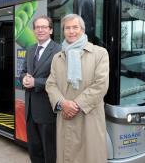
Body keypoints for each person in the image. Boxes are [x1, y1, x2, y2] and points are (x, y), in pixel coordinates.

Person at [46, 14, 109, 163]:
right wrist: (63, 103)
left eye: (75, 27)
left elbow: (101, 84)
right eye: (67, 28)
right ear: (63, 31)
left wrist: (76, 105)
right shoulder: (58, 57)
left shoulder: (99, 53)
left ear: (83, 30)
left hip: (89, 118)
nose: (71, 31)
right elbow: (51, 84)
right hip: (65, 115)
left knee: (90, 156)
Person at [19, 15, 61, 163]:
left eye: (44, 27)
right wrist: (23, 78)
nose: (40, 30)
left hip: (47, 111)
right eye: (37, 27)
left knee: (49, 151)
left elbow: (59, 80)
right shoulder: (30, 49)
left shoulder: (58, 50)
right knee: (34, 150)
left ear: (50, 30)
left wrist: (36, 82)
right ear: (34, 30)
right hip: (30, 110)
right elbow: (23, 71)